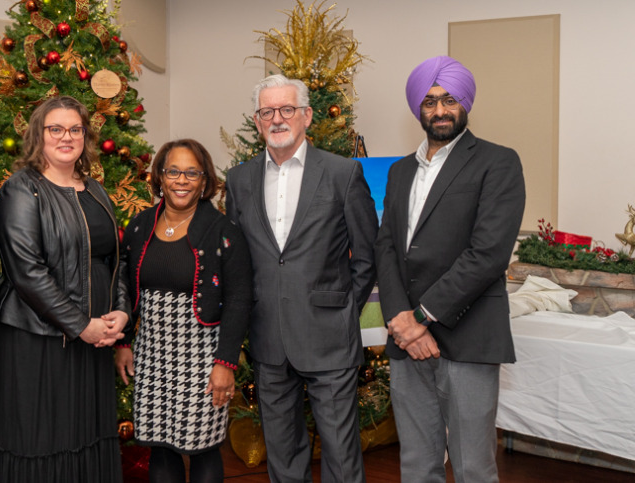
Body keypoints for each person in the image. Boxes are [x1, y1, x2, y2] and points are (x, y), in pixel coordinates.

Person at [375, 55, 525, 482]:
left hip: (469, 335)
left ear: (466, 103)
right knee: (417, 465)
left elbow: (488, 254)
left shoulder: (498, 162)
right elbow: (386, 247)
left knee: (473, 466)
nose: (439, 110)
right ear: (417, 109)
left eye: (449, 100)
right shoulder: (401, 170)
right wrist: (398, 318)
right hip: (406, 339)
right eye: (428, 102)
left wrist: (420, 317)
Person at [225, 74, 378, 483]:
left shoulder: (342, 173)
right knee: (282, 452)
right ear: (257, 121)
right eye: (267, 111)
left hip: (330, 337)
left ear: (307, 116)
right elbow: (236, 261)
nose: (277, 119)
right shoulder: (238, 181)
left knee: (342, 456)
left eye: (287, 109)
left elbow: (366, 256)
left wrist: (344, 309)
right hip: (267, 336)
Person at [0, 95, 129, 482]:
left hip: (95, 339)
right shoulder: (21, 189)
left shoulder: (96, 190)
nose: (66, 137)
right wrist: (79, 323)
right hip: (38, 339)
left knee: (87, 433)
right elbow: (26, 271)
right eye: (56, 129)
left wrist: (121, 313)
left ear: (85, 135)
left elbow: (115, 259)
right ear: (39, 135)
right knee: (42, 438)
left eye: (75, 129)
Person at [114, 139, 253, 483]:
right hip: (152, 353)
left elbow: (239, 299)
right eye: (173, 171)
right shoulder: (140, 225)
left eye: (192, 173)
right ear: (160, 177)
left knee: (203, 447)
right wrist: (124, 342)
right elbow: (124, 287)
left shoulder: (223, 231)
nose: (181, 180)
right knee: (160, 447)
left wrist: (225, 363)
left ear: (205, 181)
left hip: (204, 357)